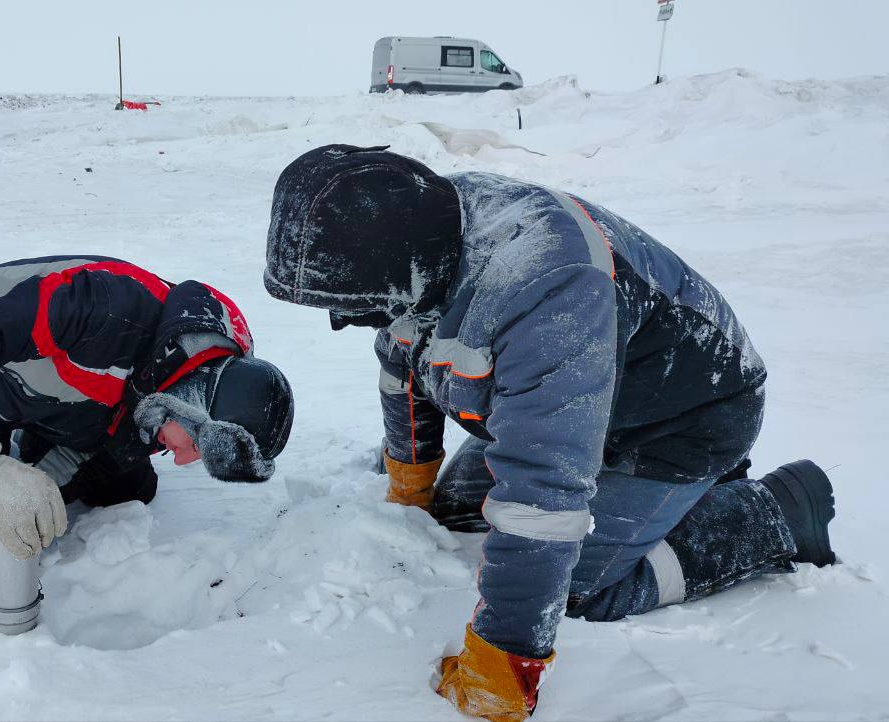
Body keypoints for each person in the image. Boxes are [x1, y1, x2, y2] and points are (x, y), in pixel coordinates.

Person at [263, 145, 836, 721]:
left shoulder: (546, 286)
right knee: (460, 511)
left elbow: (543, 491)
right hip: (576, 399)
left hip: (679, 422)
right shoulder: (417, 229)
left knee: (574, 590)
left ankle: (771, 514)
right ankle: (657, 507)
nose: (341, 321)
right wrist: (410, 484)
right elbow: (402, 370)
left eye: (349, 307)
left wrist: (505, 658)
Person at [0, 256, 294, 602]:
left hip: (66, 404)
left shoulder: (180, 391)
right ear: (191, 403)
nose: (180, 459)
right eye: (194, 445)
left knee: (126, 488)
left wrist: (35, 494)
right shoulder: (104, 307)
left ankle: (30, 444)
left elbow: (105, 447)